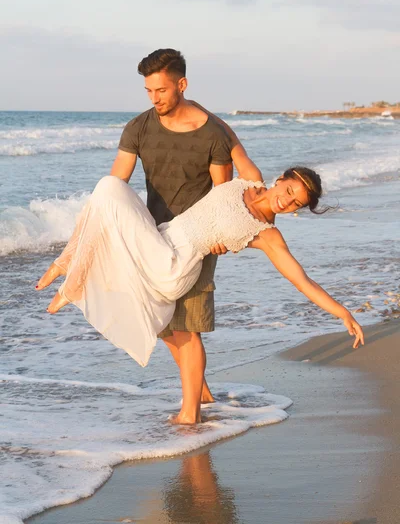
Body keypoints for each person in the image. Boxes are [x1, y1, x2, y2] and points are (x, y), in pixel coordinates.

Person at [37, 166, 365, 424]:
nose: (287, 201)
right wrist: (188, 104)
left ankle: (73, 275)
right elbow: (230, 138)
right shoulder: (245, 180)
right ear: (280, 179)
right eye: (290, 190)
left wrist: (343, 313)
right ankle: (70, 268)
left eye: (297, 203)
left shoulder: (268, 234)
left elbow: (302, 280)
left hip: (175, 264)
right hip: (161, 238)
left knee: (109, 191)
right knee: (110, 189)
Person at [108, 47, 257, 423]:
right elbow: (117, 185)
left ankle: (190, 413)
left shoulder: (212, 133)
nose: (154, 98)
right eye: (148, 91)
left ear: (182, 84)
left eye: (161, 89)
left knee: (187, 324)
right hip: (153, 234)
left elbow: (222, 194)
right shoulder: (138, 127)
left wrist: (220, 235)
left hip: (200, 237)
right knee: (160, 321)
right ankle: (200, 389)